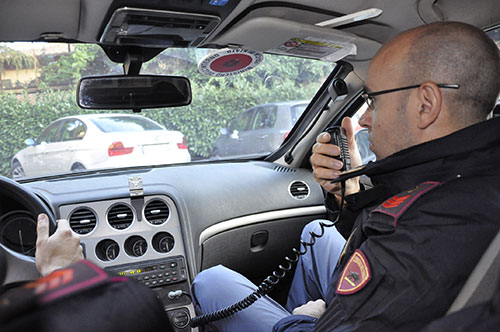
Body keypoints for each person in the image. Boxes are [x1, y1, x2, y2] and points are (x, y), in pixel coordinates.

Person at [191, 21, 500, 332]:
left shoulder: (418, 235)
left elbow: (397, 250)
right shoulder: (470, 176)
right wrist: (351, 190)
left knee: (212, 282)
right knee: (316, 233)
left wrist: (306, 319)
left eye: (373, 101)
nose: (364, 119)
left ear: (426, 105)